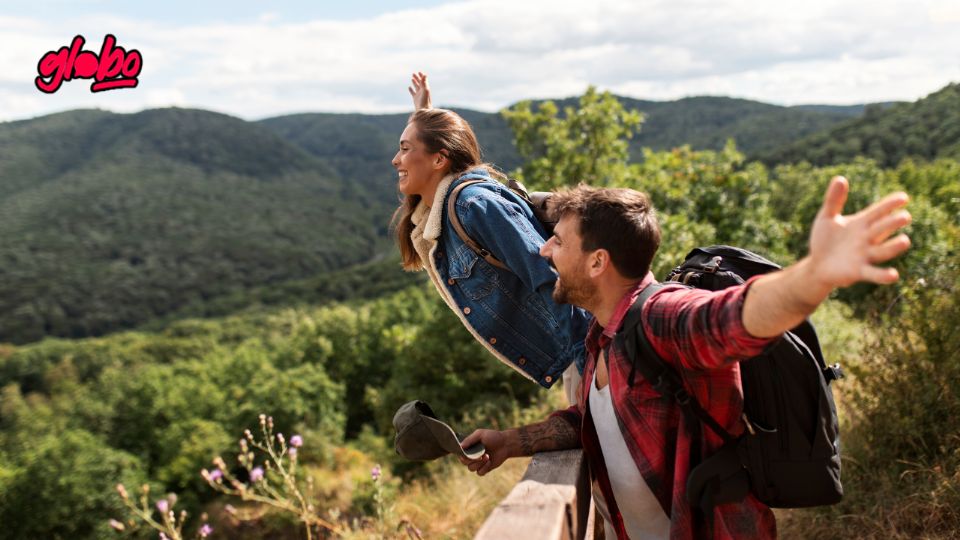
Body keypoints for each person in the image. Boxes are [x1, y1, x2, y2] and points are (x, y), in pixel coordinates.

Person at [458, 178, 912, 539]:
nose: (543, 250)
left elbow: (736, 317)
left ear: (597, 262)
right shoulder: (603, 332)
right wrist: (513, 442)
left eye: (557, 241)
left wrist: (814, 275)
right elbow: (596, 417)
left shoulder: (662, 316)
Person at [391, 71, 590, 390]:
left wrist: (591, 361)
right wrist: (424, 113)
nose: (395, 160)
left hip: (586, 352)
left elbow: (548, 276)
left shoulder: (475, 206)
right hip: (575, 357)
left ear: (440, 158)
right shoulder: (441, 210)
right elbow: (428, 191)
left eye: (404, 148)